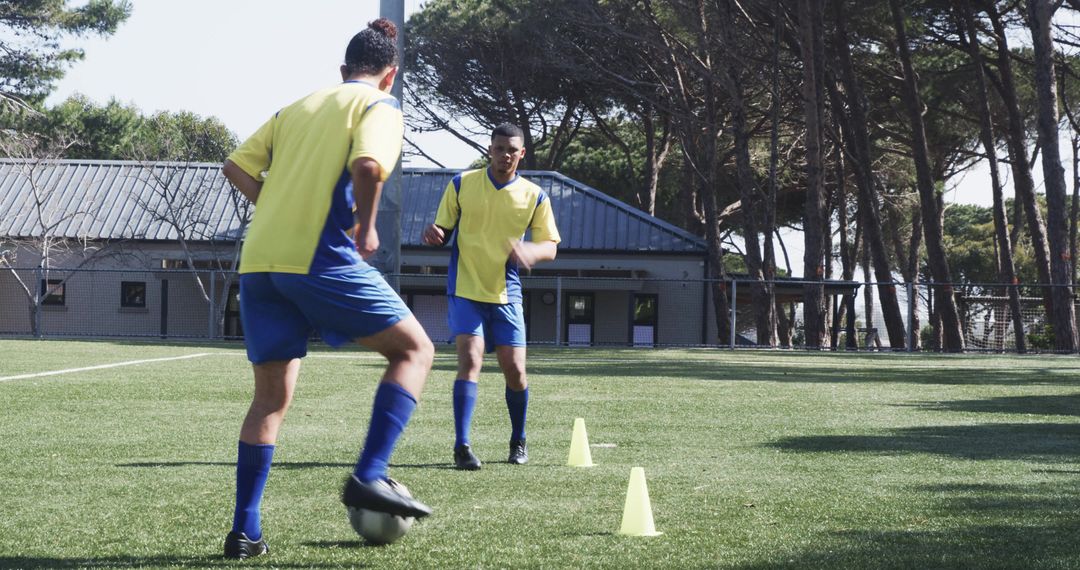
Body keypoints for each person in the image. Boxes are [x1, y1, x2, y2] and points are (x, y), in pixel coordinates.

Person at [219, 19, 433, 560]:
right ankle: (370, 474)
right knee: (416, 349)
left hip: (261, 260)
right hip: (317, 255)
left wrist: (277, 207)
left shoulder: (295, 107)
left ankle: (246, 532)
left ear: (343, 71)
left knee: (269, 398)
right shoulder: (380, 108)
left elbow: (236, 166)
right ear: (391, 76)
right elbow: (367, 163)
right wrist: (366, 226)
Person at [422, 123, 561, 470]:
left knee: (515, 370)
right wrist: (435, 232)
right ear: (490, 150)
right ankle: (462, 446)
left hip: (507, 292)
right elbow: (443, 228)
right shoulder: (461, 184)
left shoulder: (534, 196)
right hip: (465, 289)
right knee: (471, 360)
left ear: (521, 154)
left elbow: (551, 247)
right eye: (499, 149)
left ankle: (518, 440)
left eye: (511, 150)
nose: (505, 156)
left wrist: (532, 251)